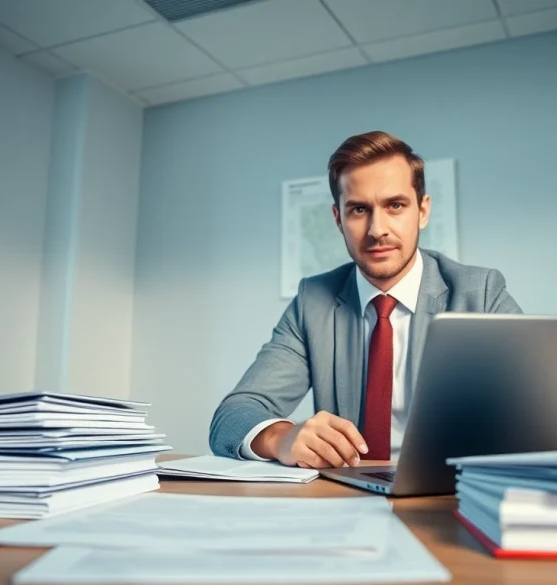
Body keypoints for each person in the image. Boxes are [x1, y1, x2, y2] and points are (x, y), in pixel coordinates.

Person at [209, 130, 522, 469]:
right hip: (345, 498)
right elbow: (232, 417)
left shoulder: (480, 293)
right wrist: (280, 437)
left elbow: (539, 406)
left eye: (396, 205)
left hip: (449, 493)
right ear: (338, 220)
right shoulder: (313, 303)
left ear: (423, 211)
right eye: (359, 209)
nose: (377, 229)